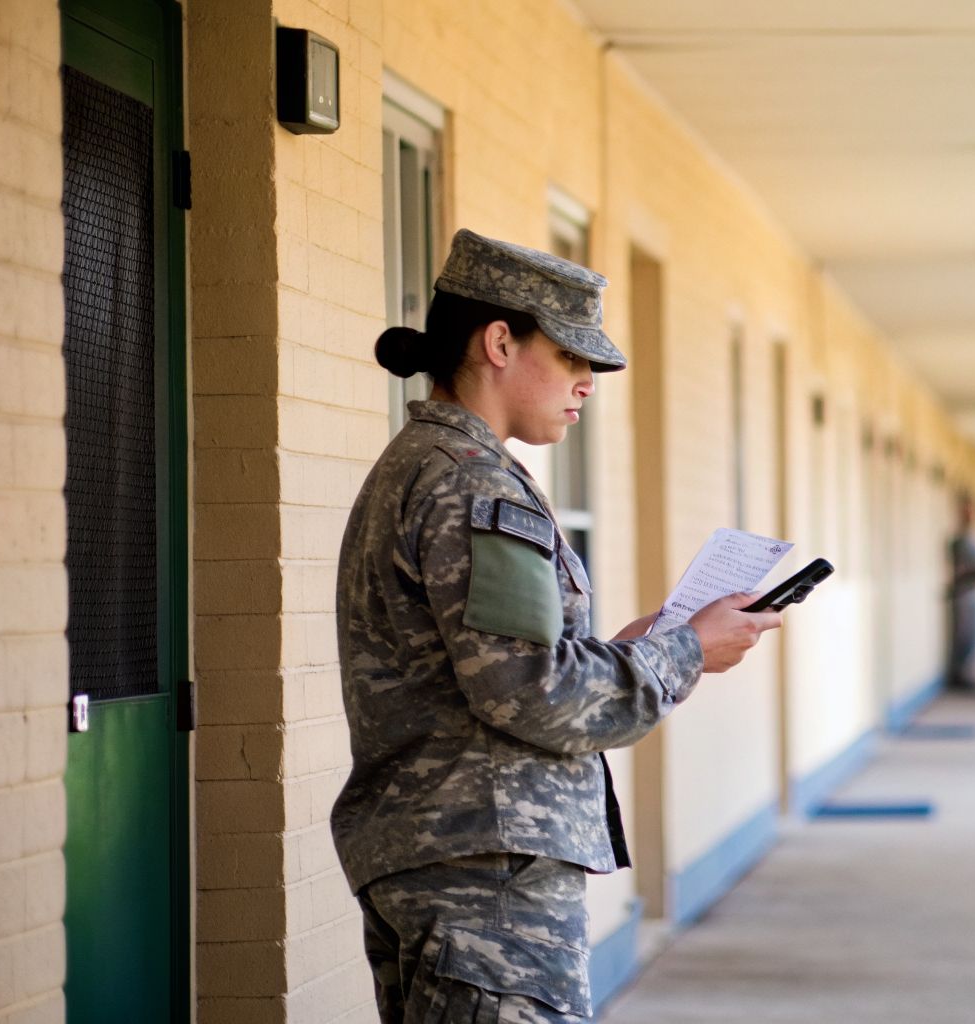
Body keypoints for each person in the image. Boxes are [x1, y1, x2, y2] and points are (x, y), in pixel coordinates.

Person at [331, 228, 782, 1023]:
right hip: (486, 877)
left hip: (455, 862)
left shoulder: (428, 465)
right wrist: (685, 652)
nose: (588, 385)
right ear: (499, 341)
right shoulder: (473, 489)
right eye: (572, 358)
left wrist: (636, 650)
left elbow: (496, 669)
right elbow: (531, 693)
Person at [945, 493, 975, 694]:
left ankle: (968, 673)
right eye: (966, 511)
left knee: (973, 635)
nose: (969, 515)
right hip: (962, 593)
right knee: (962, 636)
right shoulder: (958, 541)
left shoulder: (974, 539)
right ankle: (959, 675)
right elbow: (960, 570)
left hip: (973, 591)